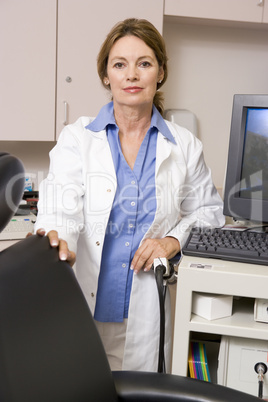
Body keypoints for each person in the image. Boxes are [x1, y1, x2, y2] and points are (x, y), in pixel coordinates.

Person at [35, 18, 225, 372]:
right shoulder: (78, 139)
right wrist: (58, 239)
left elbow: (209, 214)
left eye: (144, 63)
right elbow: (60, 206)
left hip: (146, 313)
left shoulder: (184, 146)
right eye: (119, 64)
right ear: (106, 75)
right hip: (84, 307)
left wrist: (172, 240)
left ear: (161, 73)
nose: (131, 75)